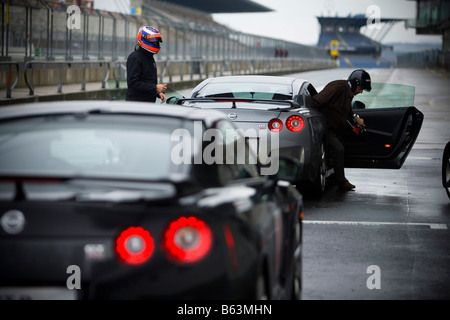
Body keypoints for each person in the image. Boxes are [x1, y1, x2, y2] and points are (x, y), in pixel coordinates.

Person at [306, 69, 371, 191]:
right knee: (338, 148)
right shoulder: (338, 87)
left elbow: (346, 113)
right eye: (361, 88)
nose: (361, 91)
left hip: (332, 128)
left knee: (341, 144)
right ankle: (341, 181)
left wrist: (356, 119)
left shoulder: (348, 93)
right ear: (355, 84)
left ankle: (335, 175)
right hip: (322, 128)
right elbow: (316, 101)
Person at [126, 26, 167, 103]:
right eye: (153, 41)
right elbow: (133, 83)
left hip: (147, 104)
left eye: (157, 41)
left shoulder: (149, 57)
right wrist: (155, 87)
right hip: (136, 104)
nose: (156, 43)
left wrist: (158, 93)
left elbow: (147, 81)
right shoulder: (135, 57)